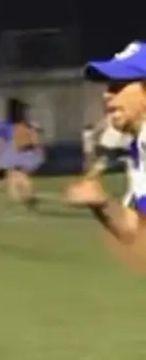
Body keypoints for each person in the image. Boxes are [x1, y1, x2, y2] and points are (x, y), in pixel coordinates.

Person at [67, 41, 146, 247]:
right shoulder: (139, 147)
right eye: (108, 86)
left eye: (118, 86)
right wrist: (101, 203)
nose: (106, 95)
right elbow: (134, 230)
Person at [0, 99, 44, 209]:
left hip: (11, 153)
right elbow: (35, 140)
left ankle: (25, 198)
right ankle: (26, 198)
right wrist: (38, 150)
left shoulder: (5, 125)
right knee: (18, 176)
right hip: (24, 154)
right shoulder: (26, 125)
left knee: (15, 177)